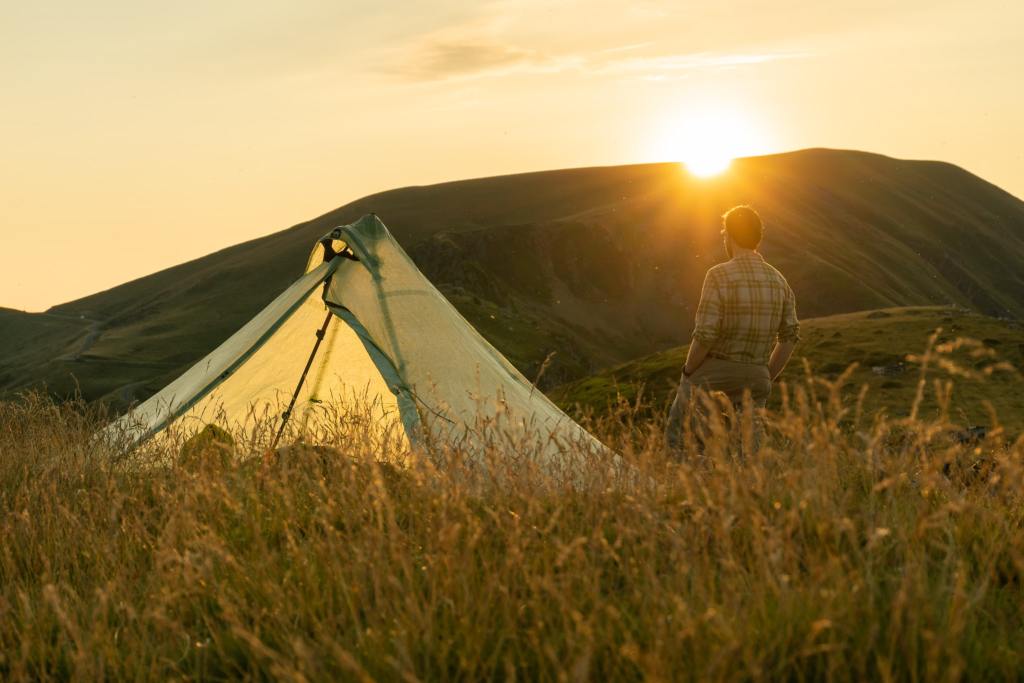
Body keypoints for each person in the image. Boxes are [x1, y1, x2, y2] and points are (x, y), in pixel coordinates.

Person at [665, 205, 800, 455]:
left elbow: (705, 335)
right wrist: (766, 373)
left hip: (715, 374)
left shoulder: (718, 276)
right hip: (757, 375)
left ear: (729, 235)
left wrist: (688, 371)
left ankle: (683, 490)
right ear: (758, 237)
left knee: (681, 443)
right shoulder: (779, 280)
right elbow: (790, 337)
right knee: (746, 454)